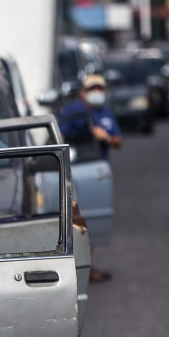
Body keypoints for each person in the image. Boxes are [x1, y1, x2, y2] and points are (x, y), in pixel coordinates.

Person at [59, 74, 122, 282]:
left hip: (95, 172)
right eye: (92, 89)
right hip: (72, 171)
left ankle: (87, 268)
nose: (97, 93)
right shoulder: (73, 113)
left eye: (100, 89)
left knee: (91, 223)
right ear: (83, 92)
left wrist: (106, 137)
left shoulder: (106, 114)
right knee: (68, 222)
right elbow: (59, 137)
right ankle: (69, 269)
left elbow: (118, 141)